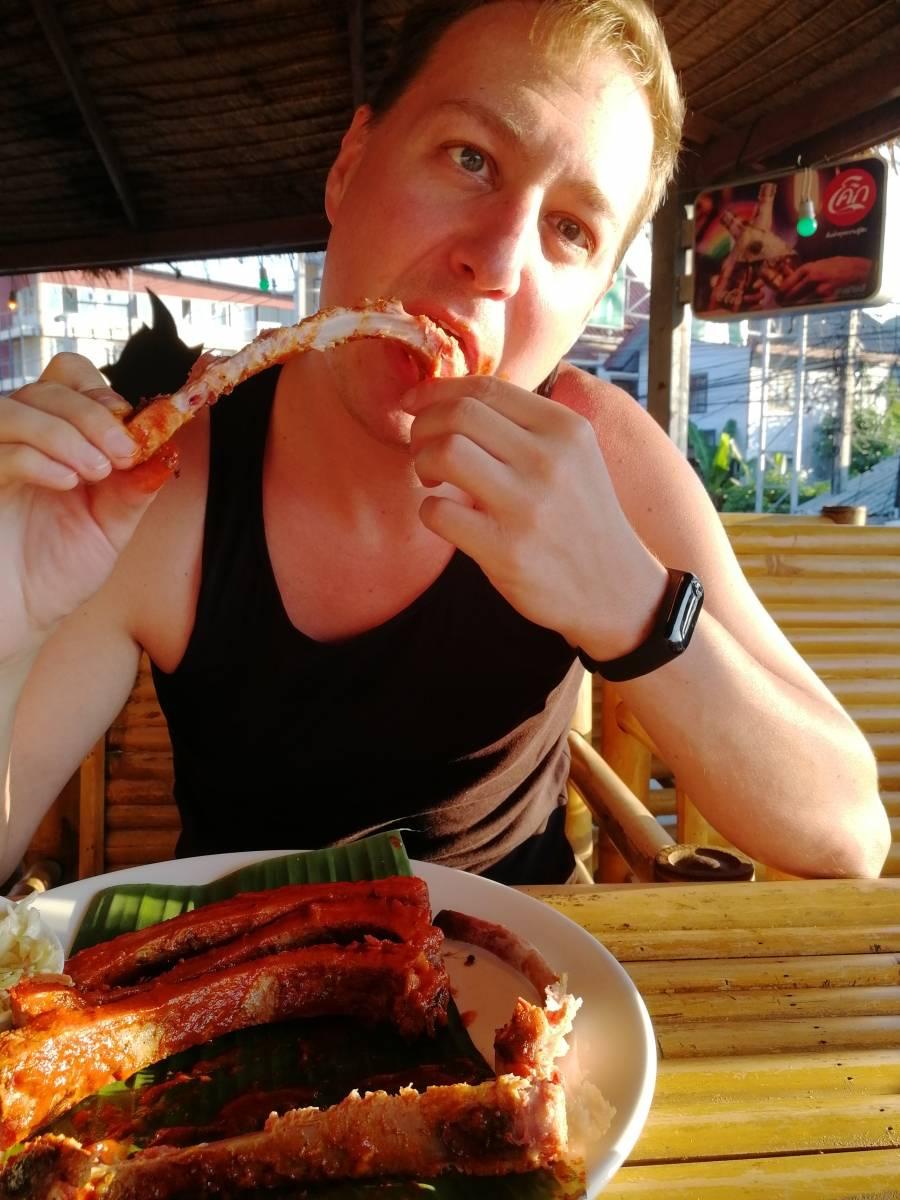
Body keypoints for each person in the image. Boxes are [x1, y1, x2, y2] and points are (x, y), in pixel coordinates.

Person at [0, 0, 889, 885]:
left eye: (570, 230)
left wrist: (633, 605)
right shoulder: (158, 480)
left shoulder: (600, 456)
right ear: (350, 166)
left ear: (592, 303)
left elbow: (844, 833)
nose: (497, 263)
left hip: (531, 964)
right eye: (471, 158)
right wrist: (10, 606)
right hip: (235, 961)